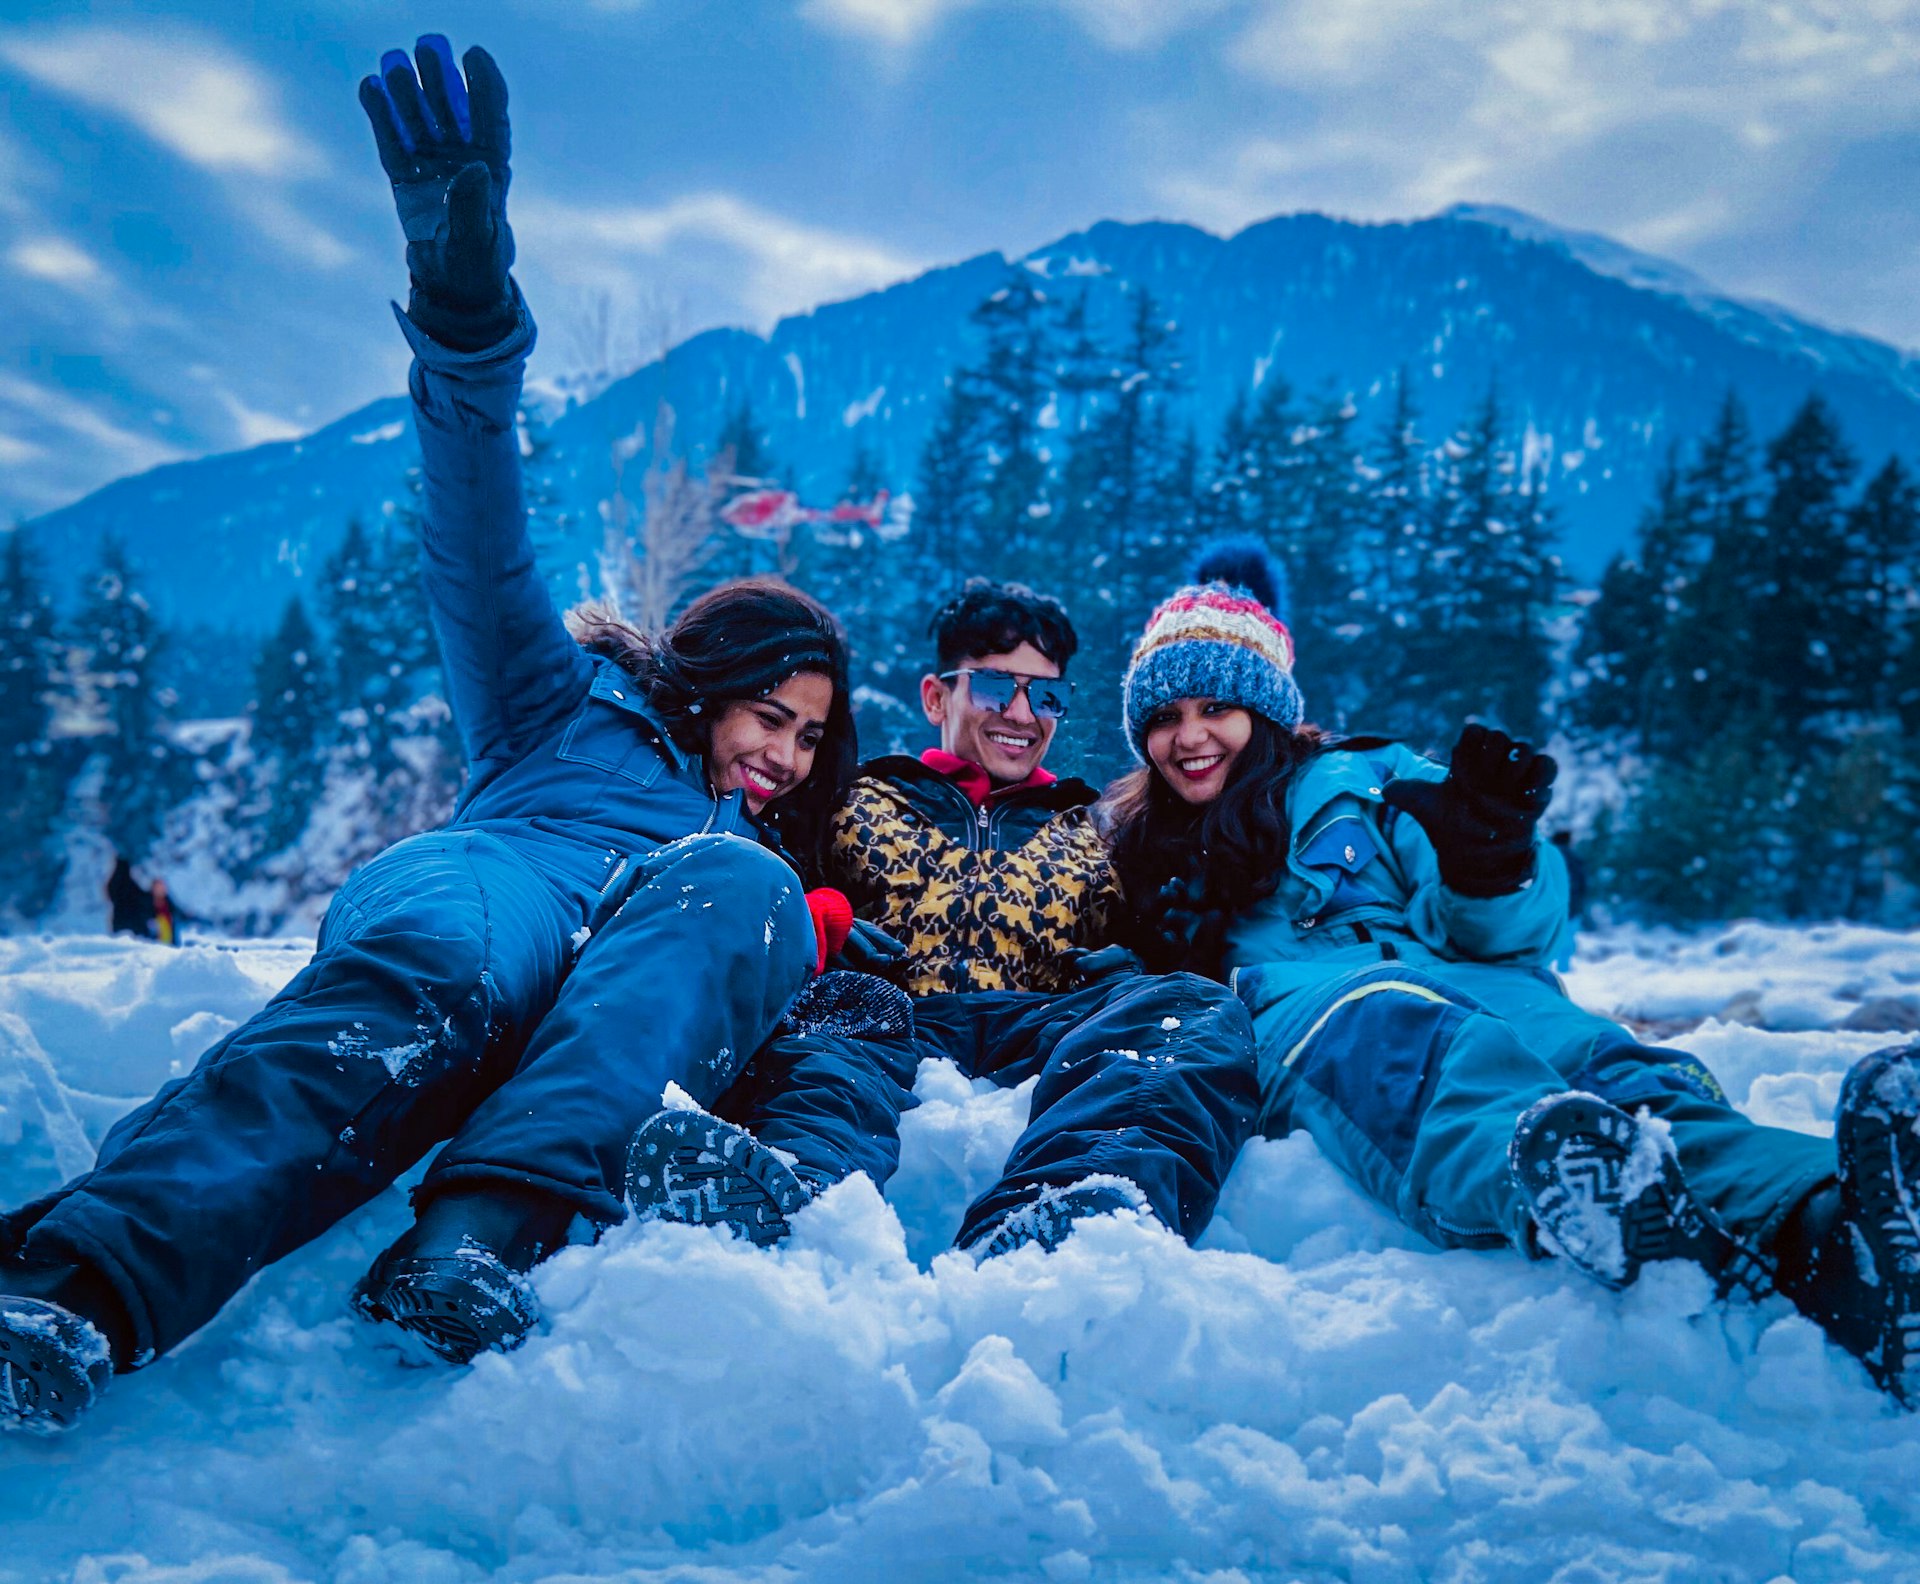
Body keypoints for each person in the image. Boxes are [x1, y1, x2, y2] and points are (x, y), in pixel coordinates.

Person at [0, 36, 859, 1433]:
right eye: (773, 714)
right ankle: (75, 1292)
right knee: (447, 974)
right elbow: (476, 533)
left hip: (637, 952)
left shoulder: (740, 867)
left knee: (752, 892)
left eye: (816, 738)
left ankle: (469, 1246)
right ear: (704, 686)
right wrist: (467, 325)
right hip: (504, 872)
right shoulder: (557, 702)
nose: (787, 755)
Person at [1103, 539, 1920, 1406]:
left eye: (1217, 706)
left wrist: (1492, 865)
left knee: (1615, 1066)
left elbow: (1517, 936)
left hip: (1476, 980)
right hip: (1312, 1011)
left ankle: (1842, 1222)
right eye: (1165, 716)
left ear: (1264, 709)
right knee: (1422, 1048)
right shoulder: (1132, 842)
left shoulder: (1366, 778)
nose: (1188, 736)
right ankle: (1583, 1194)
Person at [627, 579, 1262, 1257]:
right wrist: (815, 915)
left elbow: (1175, 924)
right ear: (936, 697)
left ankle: (1077, 1207)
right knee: (825, 1038)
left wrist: (1136, 963)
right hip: (884, 1013)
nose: (1022, 713)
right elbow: (766, 867)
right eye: (995, 688)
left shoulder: (1101, 828)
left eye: (1046, 696)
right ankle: (796, 1199)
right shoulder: (851, 795)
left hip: (1040, 1020)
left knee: (1190, 1009)